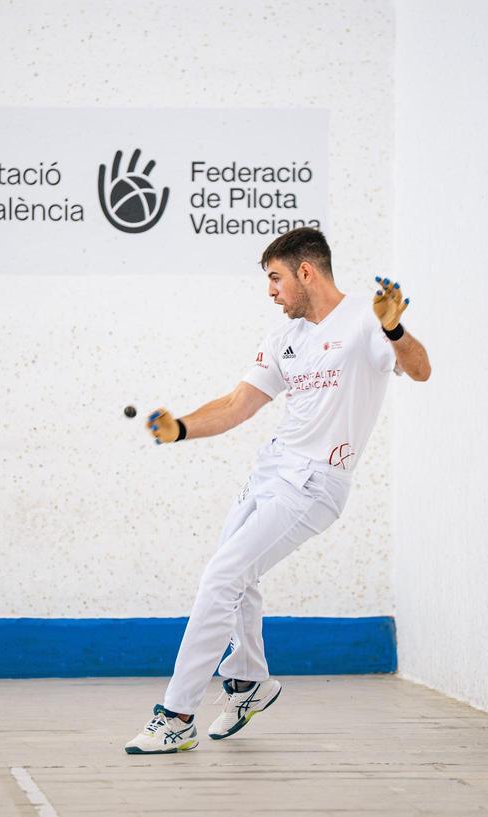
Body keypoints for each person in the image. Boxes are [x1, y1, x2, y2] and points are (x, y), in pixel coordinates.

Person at [124, 227, 432, 754]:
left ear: (305, 272)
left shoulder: (368, 317)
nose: (271, 291)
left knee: (222, 578)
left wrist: (395, 328)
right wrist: (181, 428)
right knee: (235, 575)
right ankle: (248, 681)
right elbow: (237, 404)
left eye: (275, 278)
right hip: (269, 472)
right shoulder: (284, 337)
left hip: (315, 482)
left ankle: (177, 716)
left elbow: (420, 370)